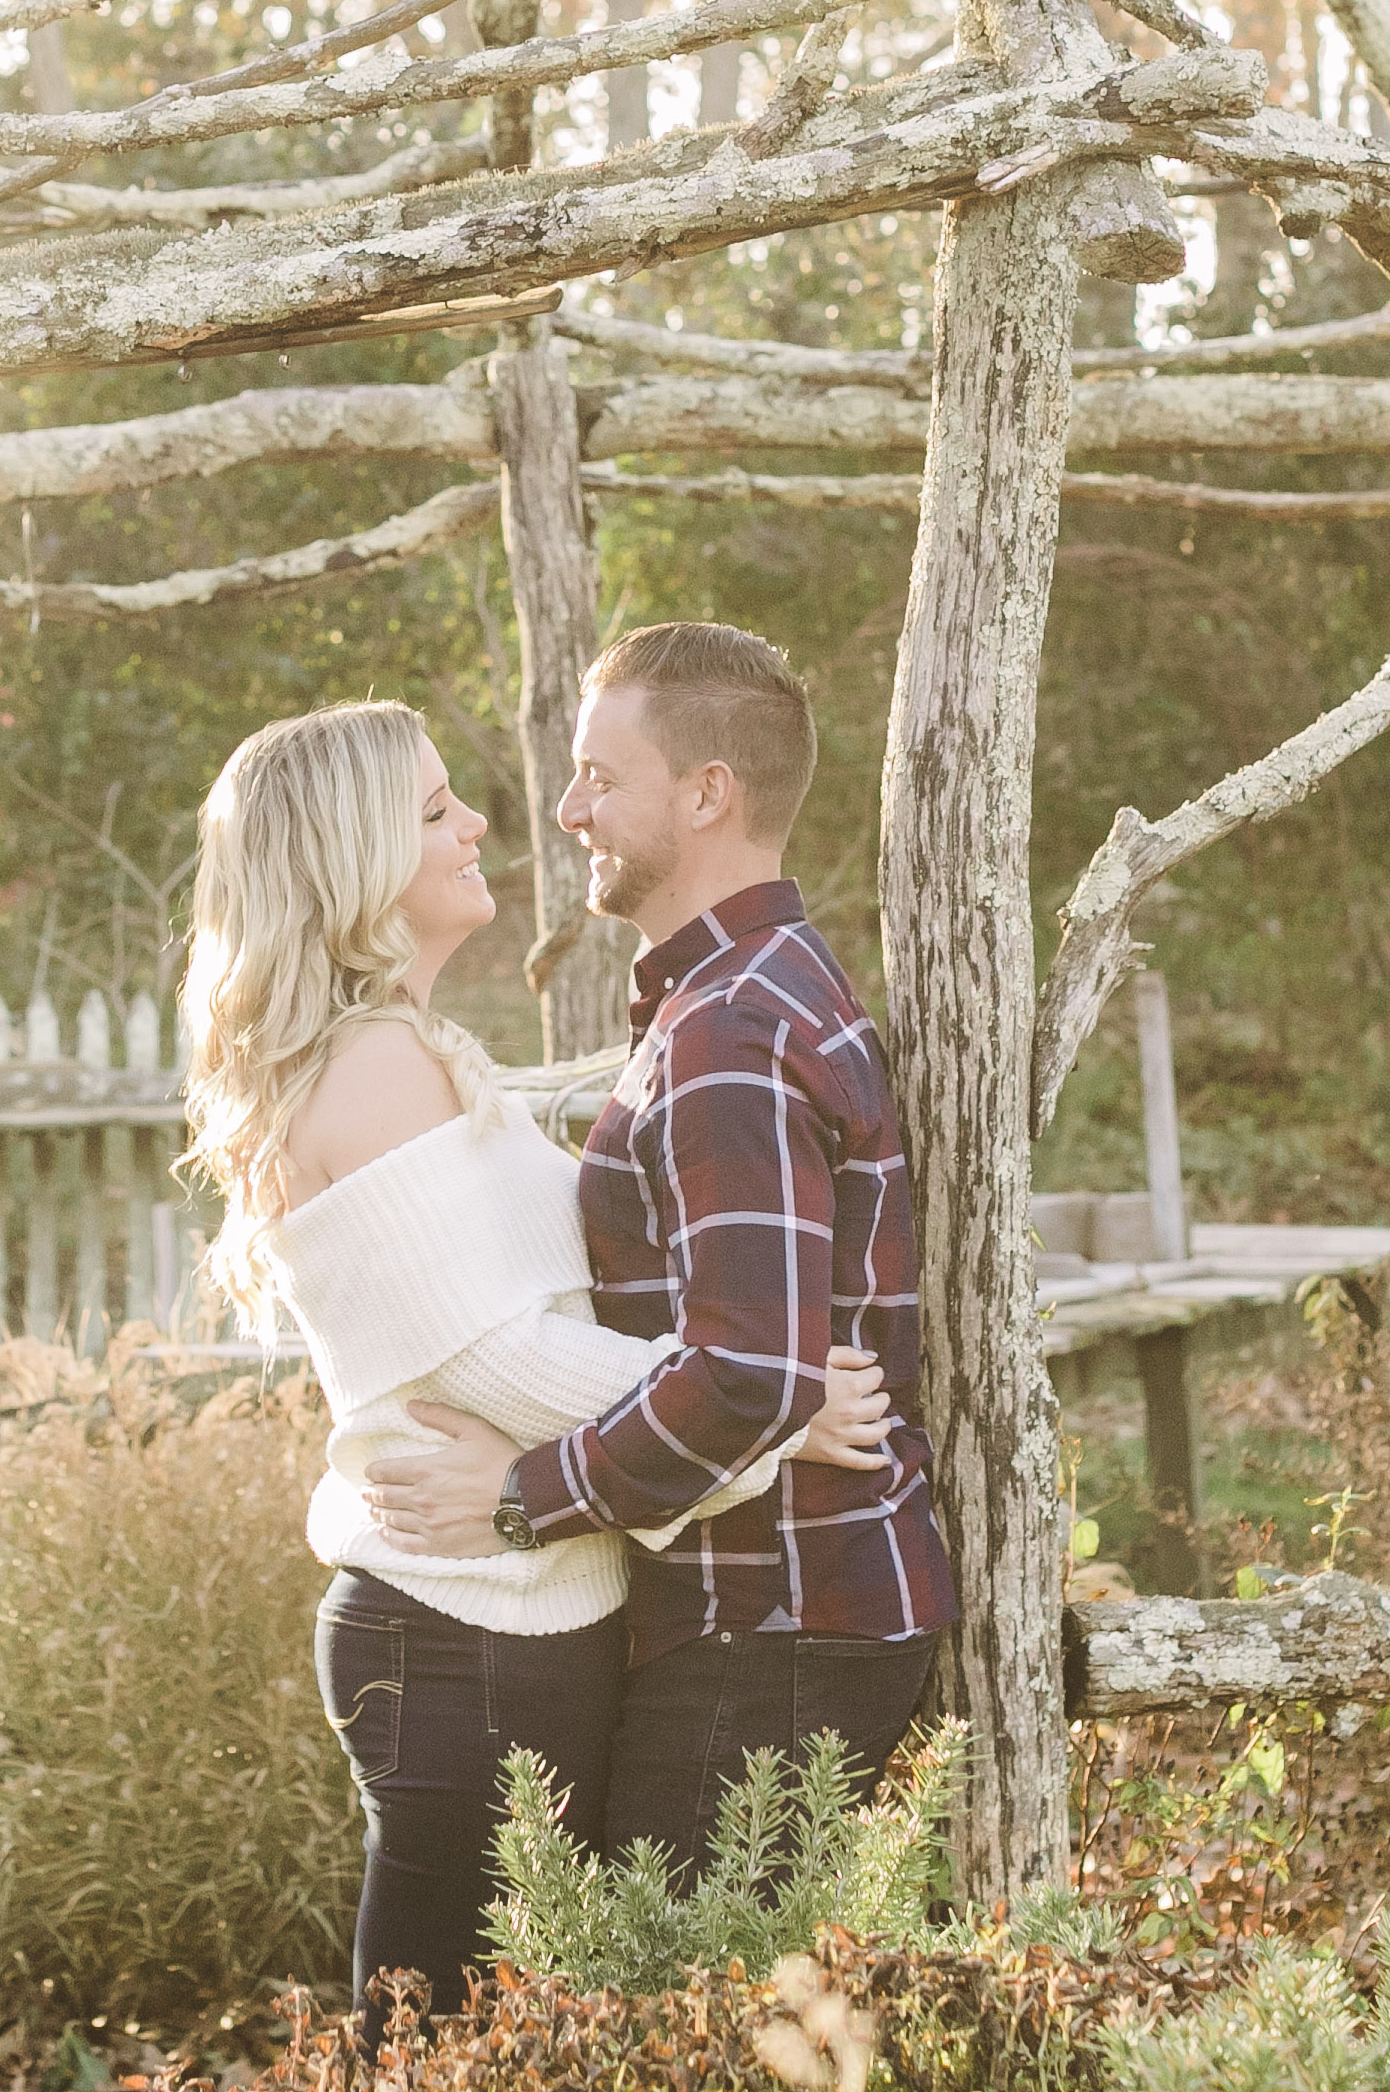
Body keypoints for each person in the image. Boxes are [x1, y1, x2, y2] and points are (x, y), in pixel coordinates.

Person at [178, 700, 899, 2041]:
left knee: (501, 2033)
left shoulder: (410, 1053)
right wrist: (771, 1416)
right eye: (433, 810)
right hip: (460, 1638)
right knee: (438, 2042)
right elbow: (498, 1354)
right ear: (350, 860)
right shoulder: (373, 1067)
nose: (478, 825)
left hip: (506, 1625)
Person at [359, 622, 948, 1871]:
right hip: (774, 1611)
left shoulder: (730, 1030)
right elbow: (759, 1356)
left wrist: (521, 1498)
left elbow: (750, 1378)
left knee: (671, 1985)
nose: (568, 810)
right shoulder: (737, 996)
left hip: (773, 1618)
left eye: (599, 778)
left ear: (706, 794)